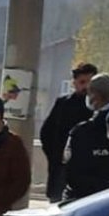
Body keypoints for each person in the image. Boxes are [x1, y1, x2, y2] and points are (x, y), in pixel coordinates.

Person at [41, 62, 98, 202]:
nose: (86, 86)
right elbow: (47, 133)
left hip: (90, 173)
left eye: (90, 82)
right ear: (74, 83)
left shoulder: (99, 106)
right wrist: (56, 158)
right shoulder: (63, 104)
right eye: (82, 82)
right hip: (62, 171)